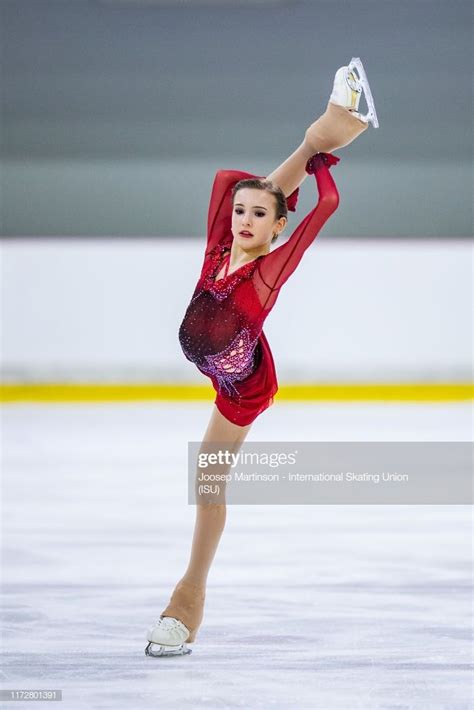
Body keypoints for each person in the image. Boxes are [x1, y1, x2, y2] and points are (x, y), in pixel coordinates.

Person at [145, 59, 378, 657]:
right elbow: (242, 187)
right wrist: (305, 150)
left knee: (206, 485)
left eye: (260, 216)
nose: (244, 220)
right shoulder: (219, 248)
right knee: (205, 482)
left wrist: (320, 161)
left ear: (277, 227)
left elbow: (321, 208)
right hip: (219, 367)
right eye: (240, 212)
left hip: (243, 386)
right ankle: (334, 121)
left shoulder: (268, 272)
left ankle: (187, 600)